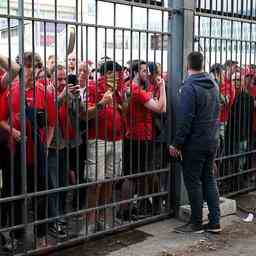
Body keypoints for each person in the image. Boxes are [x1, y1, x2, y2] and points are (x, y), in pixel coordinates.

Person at [0, 52, 56, 248]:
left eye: (35, 65)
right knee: (16, 195)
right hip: (15, 151)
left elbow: (51, 124)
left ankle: (41, 236)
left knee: (41, 195)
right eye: (27, 65)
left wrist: (47, 145)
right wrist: (12, 130)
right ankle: (16, 237)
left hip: (38, 151)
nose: (31, 69)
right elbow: (1, 119)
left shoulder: (45, 92)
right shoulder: (10, 90)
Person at [169, 52, 221, 234]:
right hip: (211, 140)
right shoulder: (213, 84)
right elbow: (217, 112)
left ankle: (196, 223)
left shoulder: (189, 87)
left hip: (194, 143)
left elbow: (186, 119)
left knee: (193, 182)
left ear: (187, 65)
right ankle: (214, 222)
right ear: (203, 64)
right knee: (208, 179)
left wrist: (176, 144)